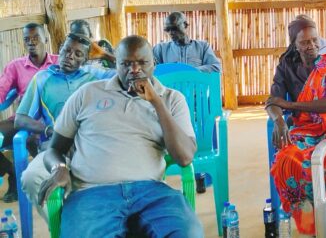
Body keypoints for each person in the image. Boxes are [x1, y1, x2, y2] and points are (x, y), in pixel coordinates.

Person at [37, 35, 202, 237]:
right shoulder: (87, 94)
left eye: (142, 62)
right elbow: (55, 148)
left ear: (154, 64)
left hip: (152, 193)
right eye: (126, 64)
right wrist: (59, 168)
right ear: (116, 64)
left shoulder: (172, 99)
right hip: (92, 194)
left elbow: (184, 157)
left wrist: (156, 102)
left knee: (187, 233)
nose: (134, 70)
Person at [266, 17, 326, 235]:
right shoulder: (286, 65)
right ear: (294, 43)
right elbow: (272, 101)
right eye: (304, 42)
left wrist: (292, 104)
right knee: (287, 159)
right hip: (302, 129)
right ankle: (311, 222)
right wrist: (278, 120)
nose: (312, 46)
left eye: (315, 40)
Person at [16, 33, 115, 221]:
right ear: (59, 50)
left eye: (78, 54)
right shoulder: (42, 78)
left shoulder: (96, 76)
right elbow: (20, 119)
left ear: (86, 59)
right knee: (30, 178)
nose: (70, 56)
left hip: (91, 148)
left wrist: (105, 55)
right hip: (55, 150)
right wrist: (48, 130)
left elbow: (133, 70)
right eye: (67, 50)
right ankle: (62, 228)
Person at [0, 23, 58, 202]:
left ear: (45, 39)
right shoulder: (15, 66)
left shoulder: (59, 62)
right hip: (23, 122)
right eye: (27, 39)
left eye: (36, 38)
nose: (31, 42)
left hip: (52, 123)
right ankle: (12, 172)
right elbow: (1, 91)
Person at [153, 12, 222, 73]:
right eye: (167, 30)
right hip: (168, 87)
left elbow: (216, 67)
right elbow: (152, 70)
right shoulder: (160, 49)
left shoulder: (203, 47)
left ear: (185, 25)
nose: (171, 33)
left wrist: (190, 71)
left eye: (174, 28)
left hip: (196, 87)